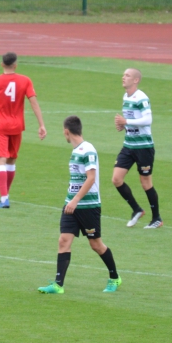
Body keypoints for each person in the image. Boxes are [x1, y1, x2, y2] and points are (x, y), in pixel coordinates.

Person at [38, 115, 122, 294]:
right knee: (64, 240)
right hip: (71, 205)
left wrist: (76, 200)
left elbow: (91, 178)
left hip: (88, 206)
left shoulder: (87, 150)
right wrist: (71, 200)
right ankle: (58, 284)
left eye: (63, 131)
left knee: (96, 245)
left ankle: (115, 278)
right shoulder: (76, 150)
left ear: (67, 131)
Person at [0, 52, 47, 208]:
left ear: (2, 64)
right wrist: (41, 124)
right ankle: (5, 195)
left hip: (0, 126)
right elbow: (34, 103)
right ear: (15, 64)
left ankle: (4, 198)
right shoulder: (25, 80)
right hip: (17, 126)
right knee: (11, 160)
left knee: (0, 160)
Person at [112, 68, 163, 229]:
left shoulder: (141, 97)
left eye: (127, 75)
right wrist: (123, 126)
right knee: (116, 179)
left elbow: (148, 119)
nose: (123, 77)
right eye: (123, 74)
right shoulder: (126, 97)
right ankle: (136, 209)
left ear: (136, 80)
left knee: (145, 182)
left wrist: (126, 122)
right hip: (129, 145)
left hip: (143, 147)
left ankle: (157, 218)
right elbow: (132, 120)